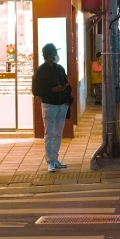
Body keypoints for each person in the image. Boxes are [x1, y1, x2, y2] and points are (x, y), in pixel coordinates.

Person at [32, 43, 72, 173]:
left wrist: (66, 98)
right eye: (54, 53)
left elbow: (66, 83)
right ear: (49, 55)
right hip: (49, 104)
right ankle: (50, 161)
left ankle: (55, 158)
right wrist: (51, 90)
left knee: (58, 134)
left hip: (62, 104)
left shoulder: (60, 68)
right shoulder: (40, 71)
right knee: (49, 134)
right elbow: (36, 90)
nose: (56, 56)